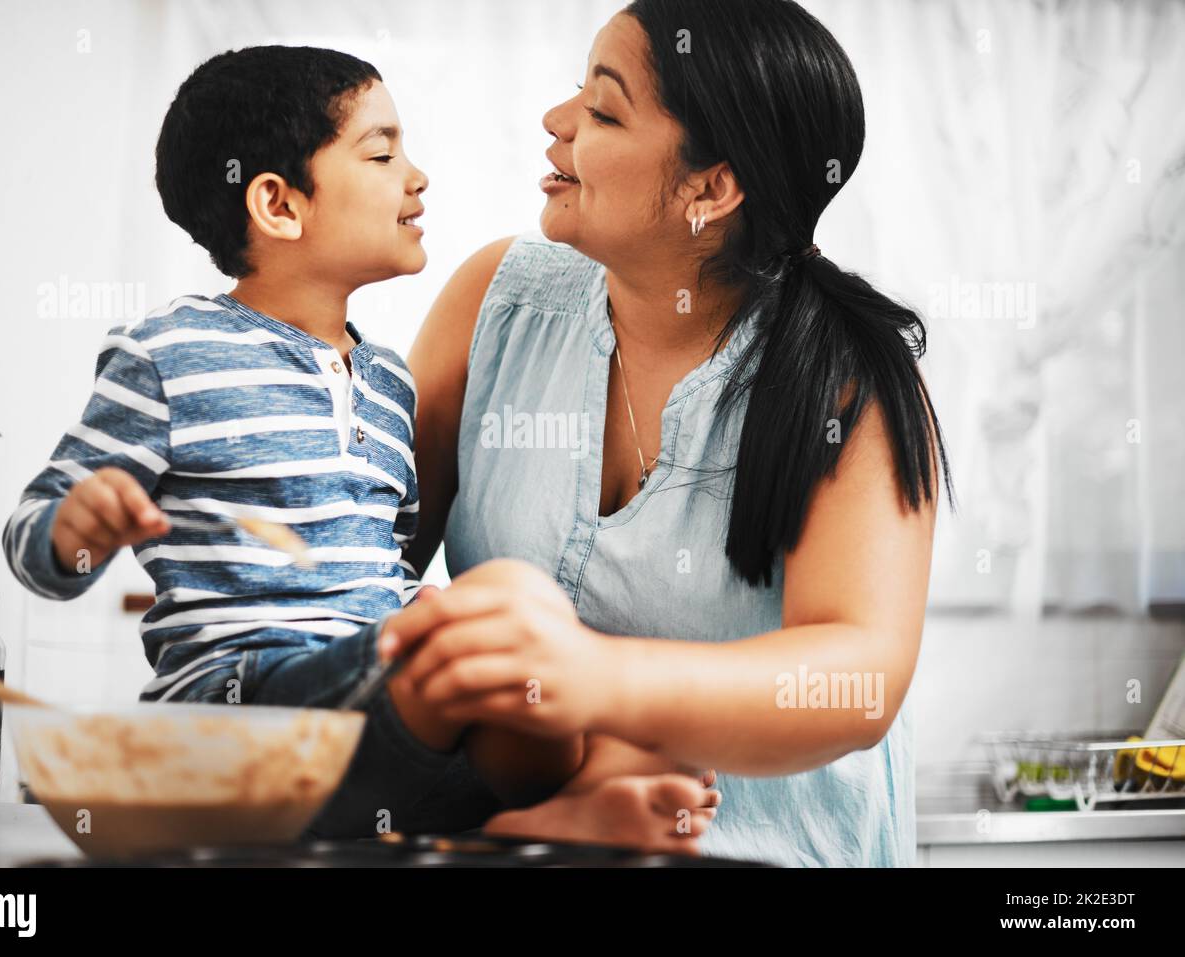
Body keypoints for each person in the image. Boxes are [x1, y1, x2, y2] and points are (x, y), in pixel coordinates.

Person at [384, 0, 953, 865]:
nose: (557, 122)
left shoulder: (848, 377)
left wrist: (588, 679)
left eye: (604, 110)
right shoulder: (494, 302)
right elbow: (365, 559)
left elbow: (856, 680)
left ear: (710, 188)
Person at [0, 45, 606, 840]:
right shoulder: (168, 353)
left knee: (549, 681)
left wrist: (410, 620)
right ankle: (553, 808)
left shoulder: (389, 384)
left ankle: (552, 807)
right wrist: (75, 530)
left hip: (367, 724)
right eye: (383, 153)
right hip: (238, 711)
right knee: (509, 615)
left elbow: (388, 563)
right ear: (279, 206)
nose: (416, 176)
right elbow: (30, 537)